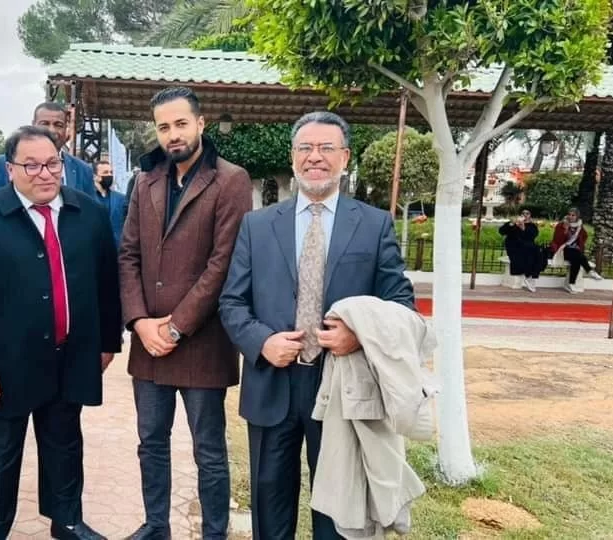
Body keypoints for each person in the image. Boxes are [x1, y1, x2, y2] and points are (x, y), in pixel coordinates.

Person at [218, 111, 415, 540]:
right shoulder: (257, 225)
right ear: (293, 157)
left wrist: (358, 335)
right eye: (305, 148)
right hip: (272, 383)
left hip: (342, 387)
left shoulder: (373, 224)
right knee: (270, 508)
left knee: (337, 512)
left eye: (327, 148)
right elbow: (231, 302)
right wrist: (262, 342)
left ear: (345, 157)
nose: (315, 157)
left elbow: (401, 305)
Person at [0, 125, 123, 540]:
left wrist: (107, 343)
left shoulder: (88, 214)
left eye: (52, 163)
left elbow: (106, 283)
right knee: (1, 452)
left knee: (65, 444)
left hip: (70, 355)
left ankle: (67, 520)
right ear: (10, 169)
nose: (45, 173)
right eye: (32, 165)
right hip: (5, 365)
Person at [119, 86, 253, 540]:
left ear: (200, 123)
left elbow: (223, 264)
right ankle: (156, 526)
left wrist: (175, 328)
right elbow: (128, 254)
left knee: (208, 451)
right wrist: (140, 323)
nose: (172, 134)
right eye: (164, 127)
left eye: (180, 124)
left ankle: (214, 533)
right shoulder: (146, 180)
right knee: (150, 444)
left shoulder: (231, 180)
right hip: (148, 342)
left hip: (202, 341)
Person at [0, 102, 96, 198]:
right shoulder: (5, 163)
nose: (51, 130)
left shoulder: (82, 170)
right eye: (45, 124)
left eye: (58, 125)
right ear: (33, 125)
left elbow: (91, 210)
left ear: (65, 129)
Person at [550, 207, 602, 293]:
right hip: (563, 249)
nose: (571, 217)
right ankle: (589, 271)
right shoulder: (561, 225)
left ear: (577, 216)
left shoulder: (579, 226)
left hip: (575, 251)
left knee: (577, 259)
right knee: (577, 255)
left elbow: (584, 236)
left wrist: (579, 244)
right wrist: (565, 230)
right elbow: (557, 240)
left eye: (573, 215)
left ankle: (571, 284)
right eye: (569, 215)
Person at [498, 209, 542, 292]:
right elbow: (502, 231)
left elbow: (532, 236)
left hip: (528, 247)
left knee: (536, 252)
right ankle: (529, 276)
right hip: (514, 246)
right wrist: (511, 224)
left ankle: (530, 276)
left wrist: (523, 227)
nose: (525, 215)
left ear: (530, 216)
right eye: (523, 213)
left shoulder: (532, 226)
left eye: (527, 213)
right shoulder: (514, 224)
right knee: (527, 252)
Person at [91, 159, 128, 247]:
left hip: (117, 248)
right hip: (95, 248)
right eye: (105, 172)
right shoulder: (87, 198)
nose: (109, 175)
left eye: (111, 172)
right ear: (95, 176)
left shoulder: (121, 198)